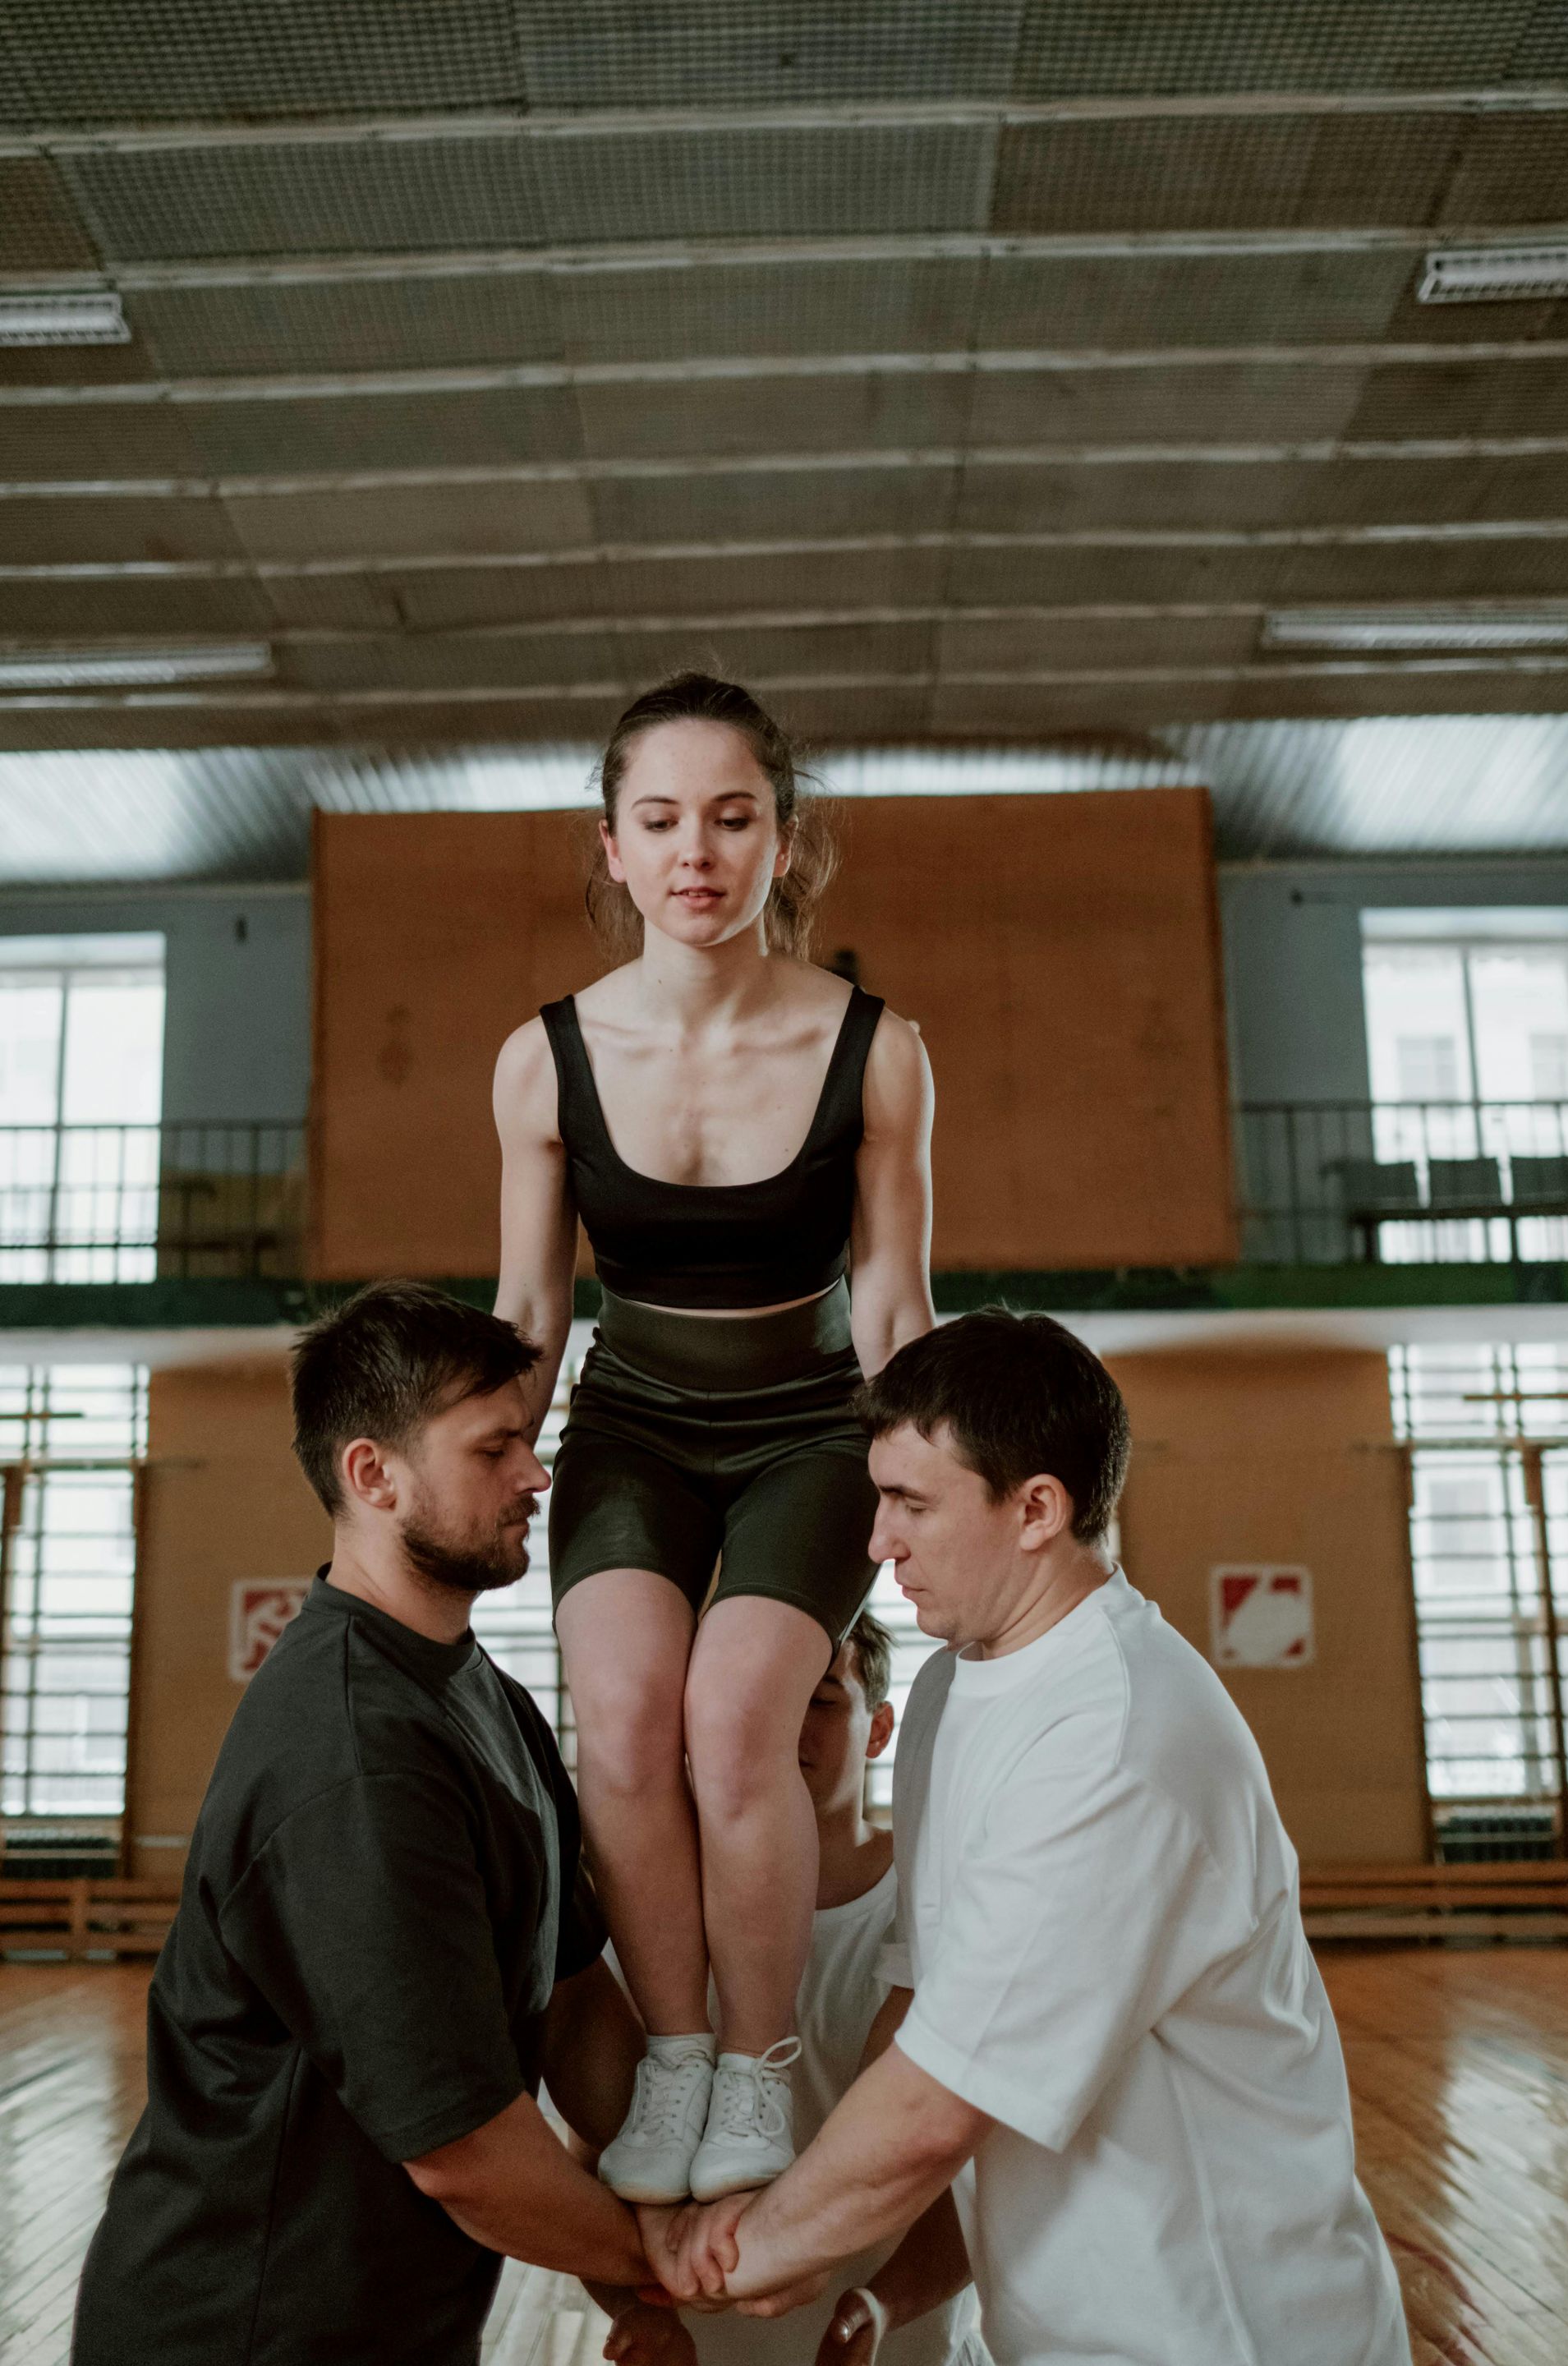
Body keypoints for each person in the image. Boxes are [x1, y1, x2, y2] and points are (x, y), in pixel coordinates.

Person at [650, 1311, 1411, 2366]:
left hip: (1226, 2336)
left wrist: (738, 2249)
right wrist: (844, 2265)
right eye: (879, 1499)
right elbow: (920, 2017)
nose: (878, 1542)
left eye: (912, 1503)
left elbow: (937, 2108)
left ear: (1037, 1510)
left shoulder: (1119, 1737)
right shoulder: (951, 1687)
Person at [494, 672, 934, 2203]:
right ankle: (675, 2051)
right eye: (662, 820)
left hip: (811, 1424)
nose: (698, 852)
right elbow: (530, 1314)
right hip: (632, 1422)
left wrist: (930, 1478)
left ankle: (757, 2070)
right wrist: (485, 1473)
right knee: (617, 1718)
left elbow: (891, 1301)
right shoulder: (541, 1057)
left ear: (783, 841)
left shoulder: (875, 1049)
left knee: (738, 1720)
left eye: (734, 817)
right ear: (610, 847)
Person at [73, 1282, 661, 2366]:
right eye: (495, 1450)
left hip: (399, 2326)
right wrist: (671, 2261)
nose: (537, 1476)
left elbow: (575, 2004)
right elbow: (466, 2153)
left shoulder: (484, 1695)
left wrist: (679, 2183)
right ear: (373, 1474)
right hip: (244, 2336)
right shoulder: (352, 1745)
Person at [590, 1614, 988, 2366]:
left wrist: (880, 2305)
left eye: (821, 1700)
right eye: (755, 1695)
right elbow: (601, 2152)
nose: (779, 1723)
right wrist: (632, 2308)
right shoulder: (657, 1913)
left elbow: (976, 2174)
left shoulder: (942, 1899)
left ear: (879, 1730)